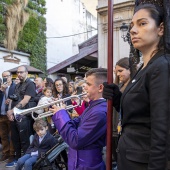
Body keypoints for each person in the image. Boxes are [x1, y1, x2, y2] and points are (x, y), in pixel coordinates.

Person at [103, 1, 170, 169]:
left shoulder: (161, 66)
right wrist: (117, 97)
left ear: (160, 29)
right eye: (132, 25)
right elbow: (138, 114)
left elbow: (161, 130)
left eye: (142, 23)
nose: (133, 30)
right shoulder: (143, 67)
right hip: (129, 158)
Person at [50, 68, 107, 170]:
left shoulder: (99, 111)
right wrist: (62, 112)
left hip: (87, 165)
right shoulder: (93, 106)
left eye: (88, 84)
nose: (84, 87)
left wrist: (61, 114)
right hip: (78, 162)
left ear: (100, 87)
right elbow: (77, 122)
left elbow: (75, 140)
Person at [6, 66, 36, 167]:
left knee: (25, 140)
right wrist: (11, 112)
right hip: (16, 115)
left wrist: (13, 111)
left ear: (26, 73)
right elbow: (14, 99)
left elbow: (25, 100)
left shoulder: (30, 84)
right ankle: (17, 159)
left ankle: (25, 161)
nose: (19, 74)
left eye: (21, 72)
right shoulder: (18, 85)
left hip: (25, 115)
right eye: (18, 72)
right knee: (15, 139)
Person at [0, 71, 15, 163]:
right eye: (3, 77)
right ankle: (6, 153)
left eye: (7, 76)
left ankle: (12, 154)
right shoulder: (1, 89)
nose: (6, 78)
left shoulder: (14, 87)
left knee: (12, 136)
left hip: (10, 115)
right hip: (1, 116)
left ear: (11, 77)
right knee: (3, 136)